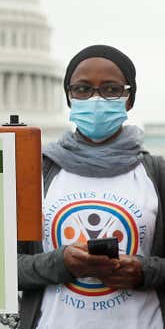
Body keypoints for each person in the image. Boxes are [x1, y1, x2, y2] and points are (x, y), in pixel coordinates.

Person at [18, 45, 165, 329]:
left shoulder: (156, 175)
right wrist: (60, 264)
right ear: (70, 98)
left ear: (129, 98)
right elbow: (0, 269)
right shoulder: (37, 172)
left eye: (111, 89)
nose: (96, 99)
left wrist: (144, 271)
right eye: (83, 89)